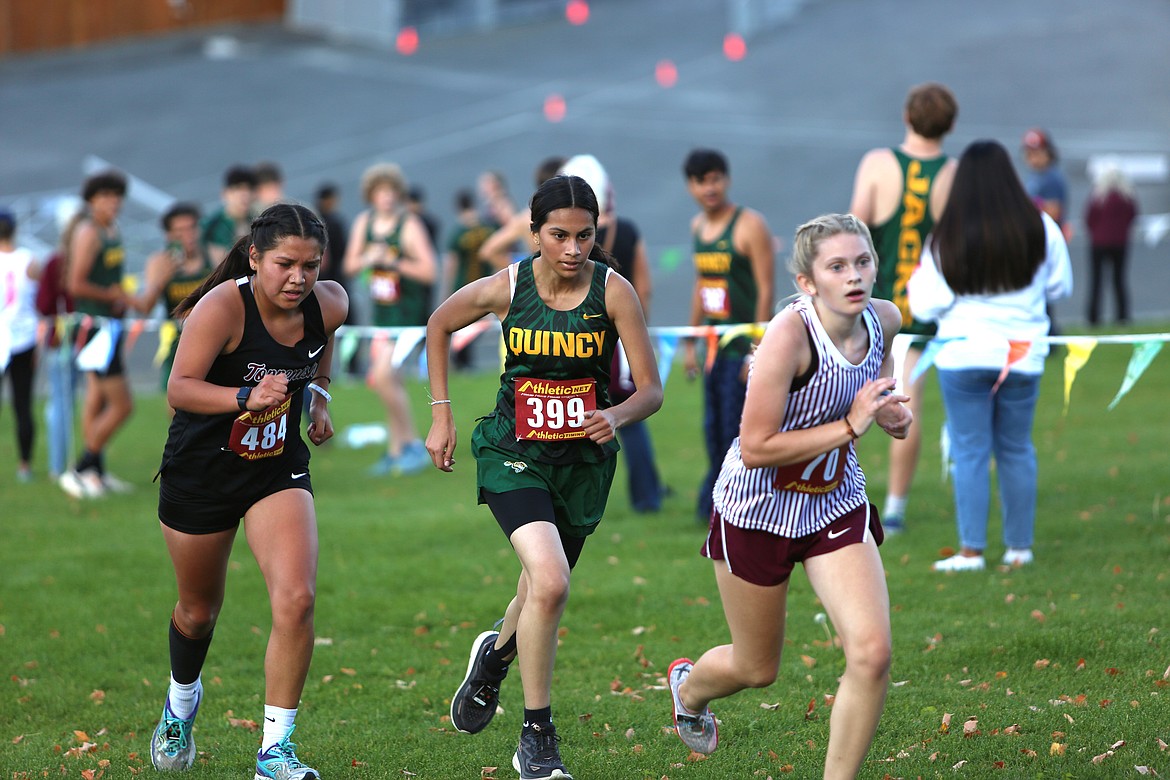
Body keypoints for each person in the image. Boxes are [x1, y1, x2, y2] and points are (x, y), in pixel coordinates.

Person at [426, 175, 662, 779]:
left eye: (585, 236)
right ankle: (536, 734)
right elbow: (437, 326)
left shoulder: (614, 293)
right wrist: (442, 415)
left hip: (581, 464)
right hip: (514, 453)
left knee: (536, 589)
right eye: (559, 235)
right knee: (552, 583)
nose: (574, 249)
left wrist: (616, 412)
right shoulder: (507, 286)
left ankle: (494, 658)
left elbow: (651, 390)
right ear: (534, 234)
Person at [667, 214, 910, 779]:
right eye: (837, 267)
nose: (854, 277)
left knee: (872, 653)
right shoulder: (787, 339)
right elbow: (754, 446)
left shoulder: (885, 318)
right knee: (756, 668)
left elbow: (883, 378)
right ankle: (688, 690)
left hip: (833, 504)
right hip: (757, 512)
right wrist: (851, 425)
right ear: (807, 282)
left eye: (863, 262)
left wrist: (891, 409)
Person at [148, 203, 348, 778]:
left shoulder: (328, 302)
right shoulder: (221, 308)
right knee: (198, 611)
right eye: (285, 264)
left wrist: (321, 396)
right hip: (201, 471)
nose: (298, 279)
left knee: (297, 598)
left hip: (275, 467)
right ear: (255, 257)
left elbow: (322, 341)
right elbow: (178, 389)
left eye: (311, 266)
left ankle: (275, 751)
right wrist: (243, 399)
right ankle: (181, 703)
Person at [908, 140, 1073, 572]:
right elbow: (1061, 287)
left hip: (963, 354)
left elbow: (925, 305)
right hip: (1023, 355)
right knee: (1017, 449)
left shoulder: (946, 235)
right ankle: (1020, 549)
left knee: (970, 451)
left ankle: (971, 551)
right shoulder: (1040, 227)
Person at [848, 81, 958, 533]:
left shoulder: (878, 163)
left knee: (839, 393)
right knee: (906, 399)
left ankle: (830, 490)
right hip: (923, 310)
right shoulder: (952, 174)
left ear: (907, 117)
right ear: (948, 125)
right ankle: (894, 507)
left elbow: (852, 230)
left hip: (868, 303)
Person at [560, 153, 664, 512]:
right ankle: (646, 494)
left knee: (576, 413)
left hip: (571, 337)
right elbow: (644, 286)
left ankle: (570, 494)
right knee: (628, 416)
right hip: (618, 341)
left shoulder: (560, 235)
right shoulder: (627, 230)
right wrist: (639, 330)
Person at [681, 148, 775, 523]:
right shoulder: (697, 228)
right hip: (713, 348)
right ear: (690, 186)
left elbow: (766, 289)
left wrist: (758, 350)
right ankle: (720, 501)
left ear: (727, 179)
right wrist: (690, 342)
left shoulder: (749, 224)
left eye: (716, 178)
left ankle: (745, 502)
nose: (710, 187)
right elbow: (702, 286)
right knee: (713, 427)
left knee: (739, 428)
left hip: (742, 349)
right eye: (702, 181)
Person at [342, 162, 437, 476]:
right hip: (382, 320)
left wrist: (395, 261)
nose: (385, 198)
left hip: (408, 320)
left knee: (383, 376)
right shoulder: (364, 223)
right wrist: (370, 257)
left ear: (398, 193)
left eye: (390, 191)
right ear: (370, 195)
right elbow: (350, 265)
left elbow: (429, 271)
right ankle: (396, 450)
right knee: (387, 380)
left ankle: (412, 444)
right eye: (379, 192)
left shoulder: (408, 225)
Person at [59, 170, 135, 499]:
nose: (112, 202)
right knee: (122, 406)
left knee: (97, 397)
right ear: (91, 200)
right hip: (94, 328)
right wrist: (115, 295)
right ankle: (80, 468)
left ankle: (97, 473)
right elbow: (74, 285)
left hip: (110, 325)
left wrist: (118, 298)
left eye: (116, 195)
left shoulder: (112, 229)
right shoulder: (89, 232)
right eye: (105, 196)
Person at [138, 202, 215, 392]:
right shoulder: (159, 262)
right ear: (168, 235)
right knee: (176, 407)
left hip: (213, 339)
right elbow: (145, 307)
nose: (187, 236)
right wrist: (160, 280)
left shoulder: (214, 256)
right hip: (177, 342)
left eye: (191, 229)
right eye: (179, 231)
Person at [35, 200, 82, 479]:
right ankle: (62, 465)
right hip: (72, 340)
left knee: (61, 403)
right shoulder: (58, 263)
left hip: (67, 340)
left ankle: (59, 466)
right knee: (67, 403)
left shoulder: (55, 262)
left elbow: (42, 304)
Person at [0, 208, 42, 482]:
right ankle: (25, 465)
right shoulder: (29, 261)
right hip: (24, 338)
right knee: (22, 405)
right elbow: (39, 306)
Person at [479, 157, 567, 272]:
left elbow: (488, 251)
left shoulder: (525, 217)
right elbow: (488, 251)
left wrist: (525, 270)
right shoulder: (574, 215)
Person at [443, 188, 497, 371]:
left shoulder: (458, 232)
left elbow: (451, 264)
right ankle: (466, 362)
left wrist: (446, 291)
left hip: (463, 286)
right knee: (479, 325)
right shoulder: (488, 228)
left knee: (463, 325)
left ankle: (461, 361)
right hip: (488, 283)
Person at [1084, 165, 1139, 325]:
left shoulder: (1099, 197)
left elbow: (1089, 218)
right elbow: (1132, 216)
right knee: (1119, 279)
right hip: (1120, 243)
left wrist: (1097, 233)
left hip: (1099, 243)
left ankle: (1093, 318)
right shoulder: (1127, 198)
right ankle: (1122, 316)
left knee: (1096, 280)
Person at [202, 164, 258, 267]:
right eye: (238, 190)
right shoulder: (214, 226)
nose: (244, 196)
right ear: (225, 193)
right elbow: (218, 265)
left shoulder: (256, 220)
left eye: (248, 189)